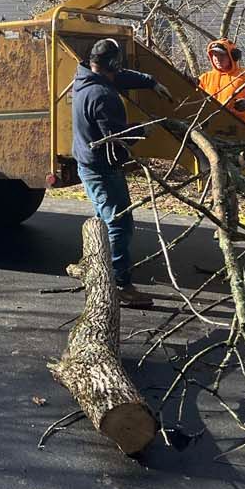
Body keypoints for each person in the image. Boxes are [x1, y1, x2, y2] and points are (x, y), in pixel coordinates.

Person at [71, 38, 173, 309]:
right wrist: (143, 129)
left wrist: (150, 81)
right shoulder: (103, 96)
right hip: (102, 168)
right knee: (119, 224)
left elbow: (119, 78)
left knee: (103, 220)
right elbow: (115, 139)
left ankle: (95, 267)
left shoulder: (85, 80)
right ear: (112, 65)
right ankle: (118, 285)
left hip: (87, 162)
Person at [198, 37, 245, 129]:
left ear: (233, 56)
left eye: (222, 55)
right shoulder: (205, 78)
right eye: (215, 55)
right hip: (211, 127)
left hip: (241, 130)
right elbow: (195, 100)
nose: (217, 59)